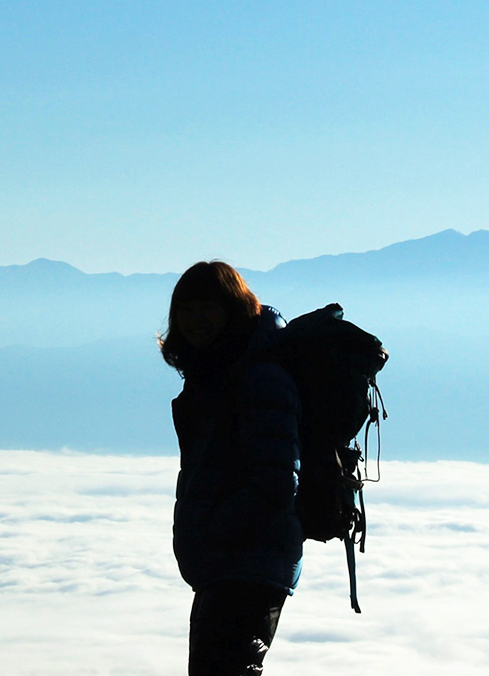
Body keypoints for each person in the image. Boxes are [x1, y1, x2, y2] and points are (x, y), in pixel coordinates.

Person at [160, 261, 302, 675]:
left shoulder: (259, 376)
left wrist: (215, 532)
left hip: (247, 565)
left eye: (207, 307)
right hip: (228, 566)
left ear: (233, 309)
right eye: (186, 309)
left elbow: (277, 479)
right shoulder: (217, 375)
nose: (195, 319)